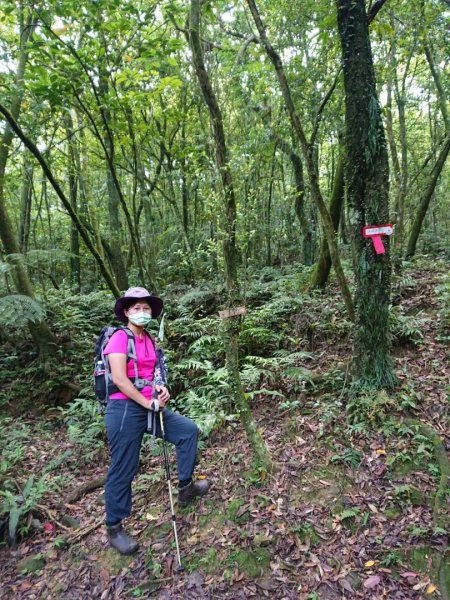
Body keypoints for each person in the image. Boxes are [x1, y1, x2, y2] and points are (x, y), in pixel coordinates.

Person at [103, 287, 209, 555]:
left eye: (146, 308)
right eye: (136, 308)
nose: (142, 313)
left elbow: (152, 374)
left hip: (151, 405)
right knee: (124, 467)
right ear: (126, 312)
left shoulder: (149, 339)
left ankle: (185, 487)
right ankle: (114, 527)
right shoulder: (118, 338)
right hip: (124, 409)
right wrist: (146, 401)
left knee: (187, 432)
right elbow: (119, 379)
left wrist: (161, 389)